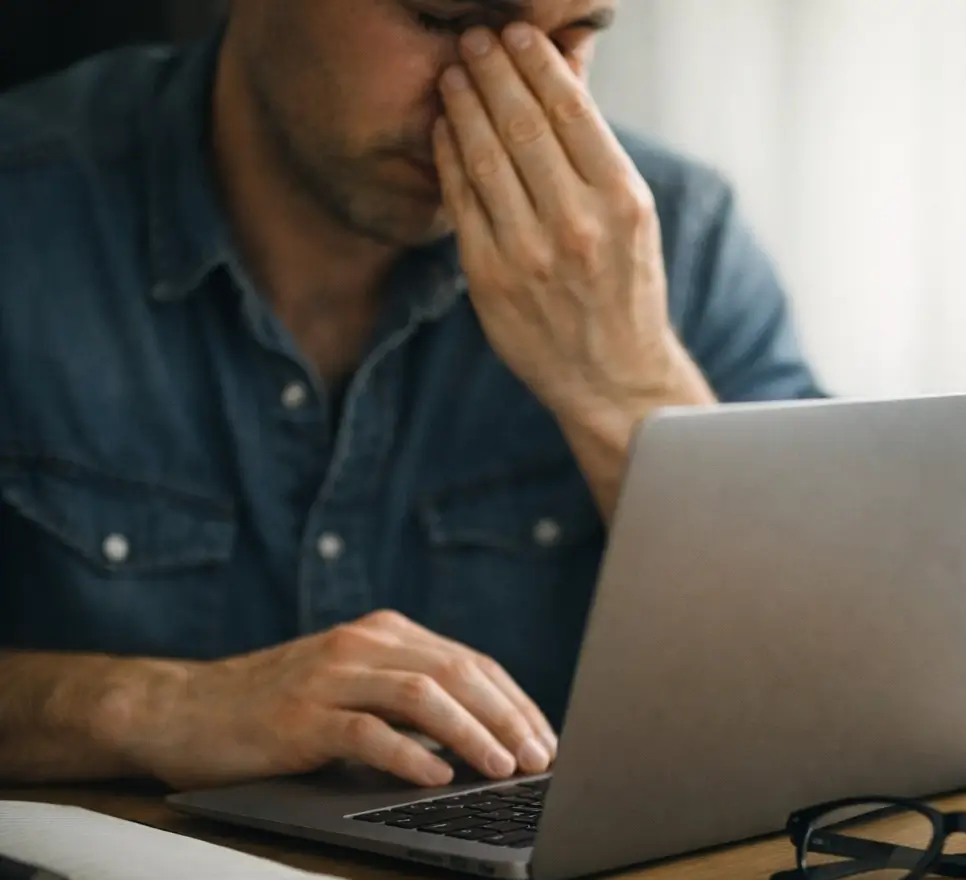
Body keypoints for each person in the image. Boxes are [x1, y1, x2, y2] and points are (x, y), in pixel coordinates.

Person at [0, 0, 822, 790]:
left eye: (571, 34)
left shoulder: (674, 241)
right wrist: (148, 706)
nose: (506, 98)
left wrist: (628, 386)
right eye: (444, 18)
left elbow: (839, 698)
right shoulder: (26, 209)